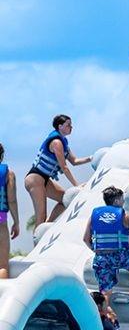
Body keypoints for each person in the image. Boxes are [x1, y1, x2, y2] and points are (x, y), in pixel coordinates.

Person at [83, 186, 129, 305]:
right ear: (116, 201)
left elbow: (85, 239)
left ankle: (104, 311)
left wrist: (97, 251)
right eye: (122, 199)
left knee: (106, 292)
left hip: (101, 258)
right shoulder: (125, 217)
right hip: (120, 256)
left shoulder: (93, 217)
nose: (123, 201)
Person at [24, 115, 92, 228]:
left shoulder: (64, 143)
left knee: (66, 199)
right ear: (60, 126)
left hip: (45, 179)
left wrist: (91, 158)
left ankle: (47, 227)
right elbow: (64, 167)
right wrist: (77, 186)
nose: (71, 127)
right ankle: (38, 238)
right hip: (35, 178)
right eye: (68, 125)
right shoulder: (56, 142)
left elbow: (74, 161)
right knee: (41, 216)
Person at [0, 144, 20, 279]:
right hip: (1, 219)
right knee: (2, 266)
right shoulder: (8, 174)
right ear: (1, 156)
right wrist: (16, 222)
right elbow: (11, 200)